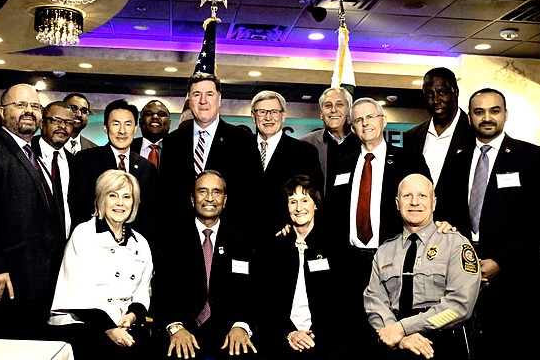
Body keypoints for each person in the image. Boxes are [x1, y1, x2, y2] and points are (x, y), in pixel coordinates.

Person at [434, 88, 540, 359]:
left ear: (505, 115)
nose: (486, 118)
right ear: (470, 118)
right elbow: (443, 211)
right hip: (464, 275)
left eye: (494, 111)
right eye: (479, 112)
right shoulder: (456, 159)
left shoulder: (531, 157)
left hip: (516, 278)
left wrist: (499, 261)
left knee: (512, 351)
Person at [334, 174, 480, 360]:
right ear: (397, 203)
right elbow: (374, 301)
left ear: (434, 202)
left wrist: (405, 328)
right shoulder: (385, 251)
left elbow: (459, 306)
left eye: (422, 196)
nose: (414, 202)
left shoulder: (455, 244)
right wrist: (395, 333)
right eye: (407, 196)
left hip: (438, 335)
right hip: (392, 332)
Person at [323, 97, 432, 345]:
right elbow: (331, 215)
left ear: (383, 121)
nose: (365, 123)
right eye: (359, 120)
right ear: (352, 128)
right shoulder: (342, 164)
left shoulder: (409, 161)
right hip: (349, 263)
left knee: (391, 335)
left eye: (371, 117)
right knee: (353, 334)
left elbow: (425, 207)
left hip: (393, 260)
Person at [0, 83, 66, 340]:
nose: (28, 111)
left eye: (34, 106)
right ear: (2, 110)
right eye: (20, 105)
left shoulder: (35, 155)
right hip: (7, 281)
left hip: (40, 281)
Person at [151, 170, 258, 360]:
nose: (210, 198)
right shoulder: (171, 241)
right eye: (202, 191)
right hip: (183, 332)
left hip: (230, 333)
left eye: (216, 192)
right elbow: (161, 291)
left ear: (225, 200)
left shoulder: (243, 242)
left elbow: (252, 292)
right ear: (192, 199)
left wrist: (241, 325)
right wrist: (175, 327)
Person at [49, 169, 154, 359]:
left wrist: (131, 316)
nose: (120, 203)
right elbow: (78, 294)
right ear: (101, 199)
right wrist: (109, 329)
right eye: (113, 195)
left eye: (127, 197)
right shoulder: (83, 234)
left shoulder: (141, 242)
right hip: (82, 323)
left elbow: (142, 291)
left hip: (124, 322)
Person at [256, 175, 346, 360]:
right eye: (292, 201)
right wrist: (289, 333)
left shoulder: (334, 247)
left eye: (305, 200)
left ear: (315, 204)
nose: (299, 208)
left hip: (322, 339)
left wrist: (314, 334)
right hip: (281, 338)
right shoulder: (274, 248)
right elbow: (266, 303)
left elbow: (340, 303)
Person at [159, 73, 262, 226]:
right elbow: (166, 196)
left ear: (219, 99)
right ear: (189, 100)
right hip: (182, 236)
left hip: (230, 236)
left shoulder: (244, 141)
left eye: (209, 94)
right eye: (196, 94)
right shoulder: (172, 142)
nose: (203, 101)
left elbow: (254, 195)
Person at [68, 99, 158, 247]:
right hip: (93, 245)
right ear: (105, 127)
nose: (122, 131)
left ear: (135, 128)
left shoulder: (147, 168)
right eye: (116, 124)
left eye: (128, 124)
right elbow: (78, 207)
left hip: (133, 248)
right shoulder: (86, 160)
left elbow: (150, 215)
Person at [250, 90, 323, 245]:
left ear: (283, 115)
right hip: (244, 240)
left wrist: (292, 225)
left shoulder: (304, 152)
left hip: (286, 240)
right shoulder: (239, 149)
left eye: (274, 112)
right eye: (262, 112)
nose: (268, 117)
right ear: (253, 116)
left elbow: (314, 198)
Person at [403, 67, 474, 187]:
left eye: (442, 92)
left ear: (455, 91)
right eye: (429, 94)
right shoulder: (413, 136)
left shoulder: (473, 133)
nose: (436, 100)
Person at [300, 87, 361, 193]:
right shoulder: (305, 144)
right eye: (328, 105)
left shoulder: (363, 142)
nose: (333, 110)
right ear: (321, 114)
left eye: (339, 105)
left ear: (350, 111)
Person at [31, 100, 76, 238]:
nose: (62, 126)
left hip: (68, 245)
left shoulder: (75, 162)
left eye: (68, 123)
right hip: (33, 243)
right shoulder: (27, 154)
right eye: (56, 120)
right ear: (42, 124)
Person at [131, 99, 171, 168]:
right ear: (140, 122)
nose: (155, 117)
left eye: (161, 114)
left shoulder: (181, 150)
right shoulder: (128, 147)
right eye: (148, 114)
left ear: (169, 123)